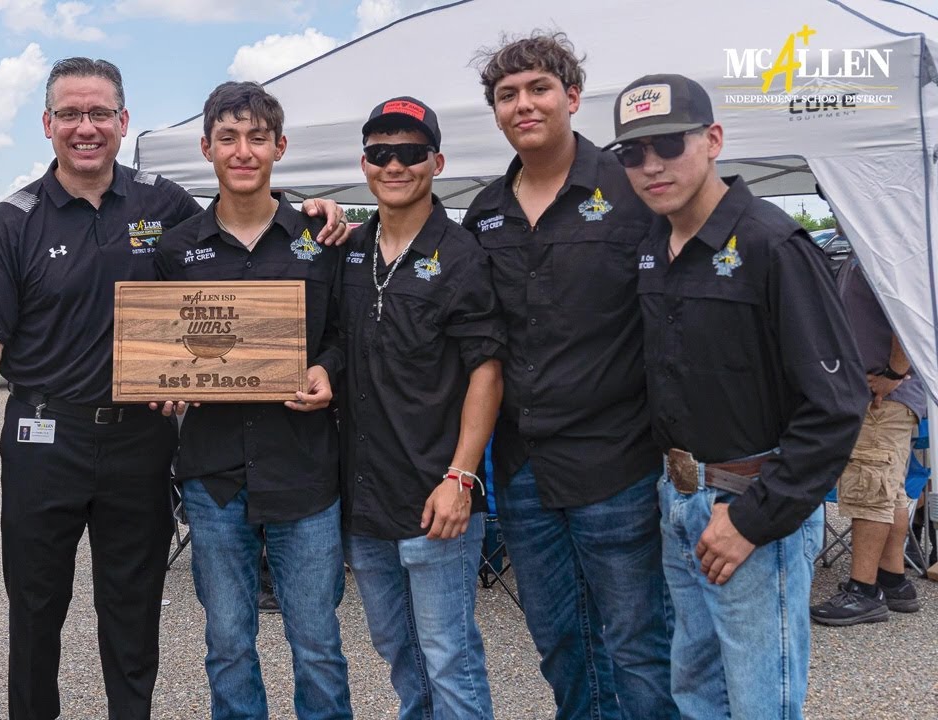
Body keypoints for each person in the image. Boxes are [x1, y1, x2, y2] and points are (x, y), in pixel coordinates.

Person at [0, 59, 347, 720]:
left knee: (132, 610)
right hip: (45, 435)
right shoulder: (14, 217)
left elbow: (240, 233)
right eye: (71, 114)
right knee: (36, 608)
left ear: (122, 121)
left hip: (140, 436)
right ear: (48, 124)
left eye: (100, 113)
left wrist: (317, 209)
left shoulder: (162, 203)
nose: (86, 127)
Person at [607, 72, 869, 718]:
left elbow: (837, 404)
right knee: (696, 693)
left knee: (761, 705)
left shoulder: (770, 243)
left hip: (753, 512)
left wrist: (753, 518)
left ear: (714, 139)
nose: (650, 165)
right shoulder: (652, 246)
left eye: (668, 143)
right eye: (632, 153)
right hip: (680, 503)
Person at [463, 33, 676, 719]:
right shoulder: (485, 211)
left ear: (572, 97)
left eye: (537, 88)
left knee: (640, 642)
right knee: (558, 640)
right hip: (524, 468)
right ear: (496, 112)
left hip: (618, 461)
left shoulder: (632, 190)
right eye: (507, 95)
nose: (522, 104)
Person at [152, 80, 351, 720]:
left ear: (280, 147)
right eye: (229, 138)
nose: (244, 151)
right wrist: (162, 384)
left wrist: (326, 370)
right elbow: (158, 347)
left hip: (304, 472)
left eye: (257, 139)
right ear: (207, 147)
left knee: (317, 645)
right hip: (213, 480)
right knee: (228, 644)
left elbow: (347, 336)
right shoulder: (176, 249)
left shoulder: (320, 239)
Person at [340, 96, 504, 719]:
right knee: (399, 653)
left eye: (410, 153)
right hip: (366, 498)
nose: (395, 165)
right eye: (382, 154)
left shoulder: (462, 255)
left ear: (436, 160)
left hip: (437, 497)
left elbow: (486, 371)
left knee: (449, 656)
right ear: (364, 163)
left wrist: (461, 477)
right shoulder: (349, 250)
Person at [810, 227, 927, 624]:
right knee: (888, 490)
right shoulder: (870, 251)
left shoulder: (884, 252)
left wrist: (894, 372)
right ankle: (893, 579)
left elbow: (905, 315)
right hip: (883, 395)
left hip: (882, 396)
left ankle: (863, 590)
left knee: (870, 490)